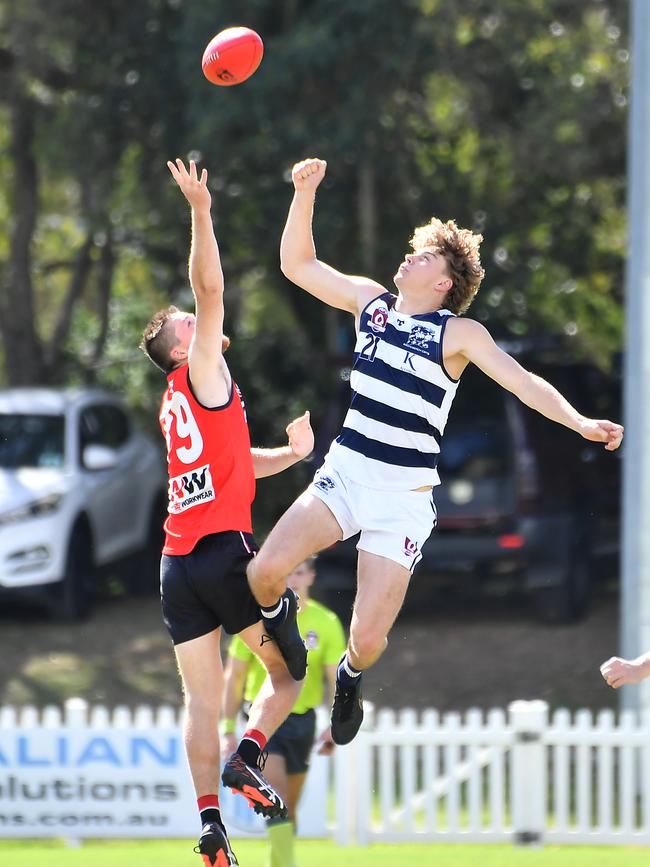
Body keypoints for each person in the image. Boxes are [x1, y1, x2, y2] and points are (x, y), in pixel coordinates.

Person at [247, 156, 625, 749]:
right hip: (344, 476)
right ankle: (291, 652)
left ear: (442, 283)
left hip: (402, 500)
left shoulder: (458, 335)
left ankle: (349, 674)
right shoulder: (370, 305)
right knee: (264, 574)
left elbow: (525, 383)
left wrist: (578, 422)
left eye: (423, 256)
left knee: (367, 639)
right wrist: (304, 192)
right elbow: (297, 265)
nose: (409, 256)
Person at [140, 158, 312, 867]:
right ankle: (248, 757)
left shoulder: (182, 400)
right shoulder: (198, 368)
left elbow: (241, 464)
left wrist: (292, 456)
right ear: (183, 344)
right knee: (290, 675)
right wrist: (201, 208)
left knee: (199, 701)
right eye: (189, 322)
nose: (200, 314)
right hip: (220, 554)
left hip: (177, 563)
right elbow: (209, 287)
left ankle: (210, 825)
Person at [222, 556, 345, 867]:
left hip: (302, 721)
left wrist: (335, 723)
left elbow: (336, 678)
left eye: (299, 572)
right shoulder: (255, 620)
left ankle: (280, 861)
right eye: (286, 572)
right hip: (263, 720)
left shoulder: (326, 622)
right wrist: (226, 728)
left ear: (311, 577)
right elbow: (234, 677)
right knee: (275, 802)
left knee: (289, 809)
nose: (292, 579)